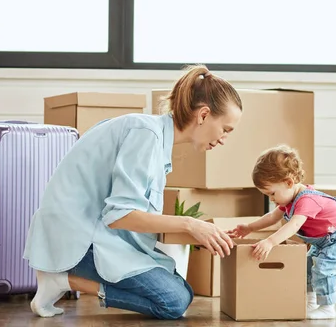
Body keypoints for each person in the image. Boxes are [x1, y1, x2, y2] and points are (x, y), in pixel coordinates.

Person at [23, 65, 243, 319]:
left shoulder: (154, 137)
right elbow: (120, 216)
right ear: (203, 115)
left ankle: (63, 279)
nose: (224, 139)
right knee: (173, 301)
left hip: (94, 232)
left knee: (182, 291)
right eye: (226, 129)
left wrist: (199, 232)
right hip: (77, 238)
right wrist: (190, 224)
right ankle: (63, 280)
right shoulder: (146, 135)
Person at [228, 145, 336, 320]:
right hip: (325, 240)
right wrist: (250, 227)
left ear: (289, 183)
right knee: (306, 266)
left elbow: (294, 225)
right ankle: (312, 301)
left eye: (272, 193)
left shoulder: (307, 199)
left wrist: (270, 242)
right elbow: (272, 217)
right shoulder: (289, 199)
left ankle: (327, 306)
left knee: (324, 268)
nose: (272, 199)